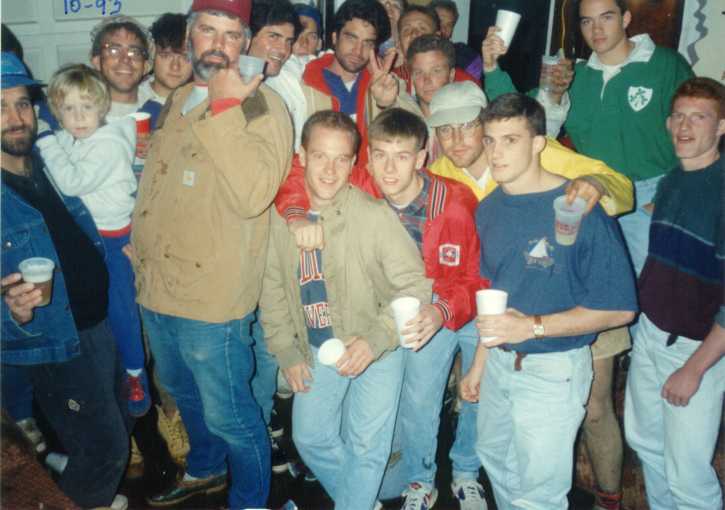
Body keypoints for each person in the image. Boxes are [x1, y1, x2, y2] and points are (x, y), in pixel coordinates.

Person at [481, 3, 693, 507]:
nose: (595, 29)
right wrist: (498, 70)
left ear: (626, 18)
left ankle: (667, 433)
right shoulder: (573, 77)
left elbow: (694, 126)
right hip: (582, 198)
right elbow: (528, 119)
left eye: (606, 17)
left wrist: (678, 188)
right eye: (586, 20)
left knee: (659, 326)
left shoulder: (663, 64)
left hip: (643, 195)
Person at [426, 80, 633, 510]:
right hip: (500, 364)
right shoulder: (489, 209)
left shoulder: (578, 205)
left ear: (539, 143)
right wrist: (479, 364)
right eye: (490, 140)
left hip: (553, 370)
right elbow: (495, 294)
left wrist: (533, 327)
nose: (496, 152)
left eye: (510, 140)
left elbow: (618, 309)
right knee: (496, 460)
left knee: (539, 494)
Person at [274, 106, 488, 509]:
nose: (389, 169)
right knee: (376, 427)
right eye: (381, 156)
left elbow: (475, 277)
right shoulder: (360, 181)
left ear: (421, 158)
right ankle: (380, 487)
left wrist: (440, 312)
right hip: (381, 313)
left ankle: (437, 478)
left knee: (427, 400)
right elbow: (300, 175)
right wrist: (296, 216)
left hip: (441, 306)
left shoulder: (454, 203)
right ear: (368, 159)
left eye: (402, 156)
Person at [129, 0, 293, 507]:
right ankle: (205, 468)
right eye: (207, 30)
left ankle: (249, 500)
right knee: (183, 393)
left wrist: (224, 108)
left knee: (231, 416)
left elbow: (254, 195)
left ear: (245, 43)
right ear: (189, 36)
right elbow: (162, 180)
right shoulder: (178, 97)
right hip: (157, 287)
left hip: (212, 299)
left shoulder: (263, 107)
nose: (219, 44)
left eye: (231, 34)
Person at [260, 110, 432, 510]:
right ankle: (363, 500)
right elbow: (271, 288)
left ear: (354, 162)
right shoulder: (280, 219)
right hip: (317, 347)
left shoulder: (373, 215)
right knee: (311, 437)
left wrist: (376, 339)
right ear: (302, 156)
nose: (329, 170)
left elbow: (415, 285)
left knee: (367, 447)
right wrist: (286, 351)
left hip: (378, 347)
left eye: (341, 159)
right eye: (320, 156)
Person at [1, 51, 129, 510]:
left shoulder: (46, 158)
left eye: (22, 103)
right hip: (57, 338)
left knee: (118, 422)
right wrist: (10, 312)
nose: (16, 117)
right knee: (105, 449)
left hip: (97, 320)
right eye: (0, 107)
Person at [624, 77, 724, 510]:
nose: (684, 126)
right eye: (678, 116)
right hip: (651, 334)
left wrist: (695, 369)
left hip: (694, 348)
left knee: (689, 476)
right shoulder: (671, 182)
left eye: (699, 117)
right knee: (646, 443)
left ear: (721, 126)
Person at [35, 63, 150, 417]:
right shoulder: (73, 137)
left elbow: (71, 182)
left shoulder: (109, 144)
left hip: (114, 240)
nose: (79, 116)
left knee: (121, 310)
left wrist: (45, 139)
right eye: (68, 108)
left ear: (102, 107)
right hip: (89, 237)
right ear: (58, 112)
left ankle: (136, 376)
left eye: (86, 107)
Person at [300, 0, 418, 165]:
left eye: (367, 43)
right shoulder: (304, 80)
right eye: (351, 38)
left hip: (370, 179)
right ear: (334, 37)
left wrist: (388, 104)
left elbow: (418, 130)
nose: (358, 51)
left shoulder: (386, 82)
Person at [90, 15, 153, 121]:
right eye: (114, 51)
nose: (125, 59)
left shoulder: (160, 115)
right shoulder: (77, 115)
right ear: (97, 62)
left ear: (146, 66)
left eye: (134, 52)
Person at [139, 13, 193, 127]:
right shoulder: (134, 99)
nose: (175, 66)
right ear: (151, 55)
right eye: (166, 55)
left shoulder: (201, 102)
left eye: (185, 57)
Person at [429, 0, 481, 78]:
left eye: (449, 25)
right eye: (439, 22)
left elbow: (476, 82)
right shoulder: (415, 53)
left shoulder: (465, 55)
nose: (443, 29)